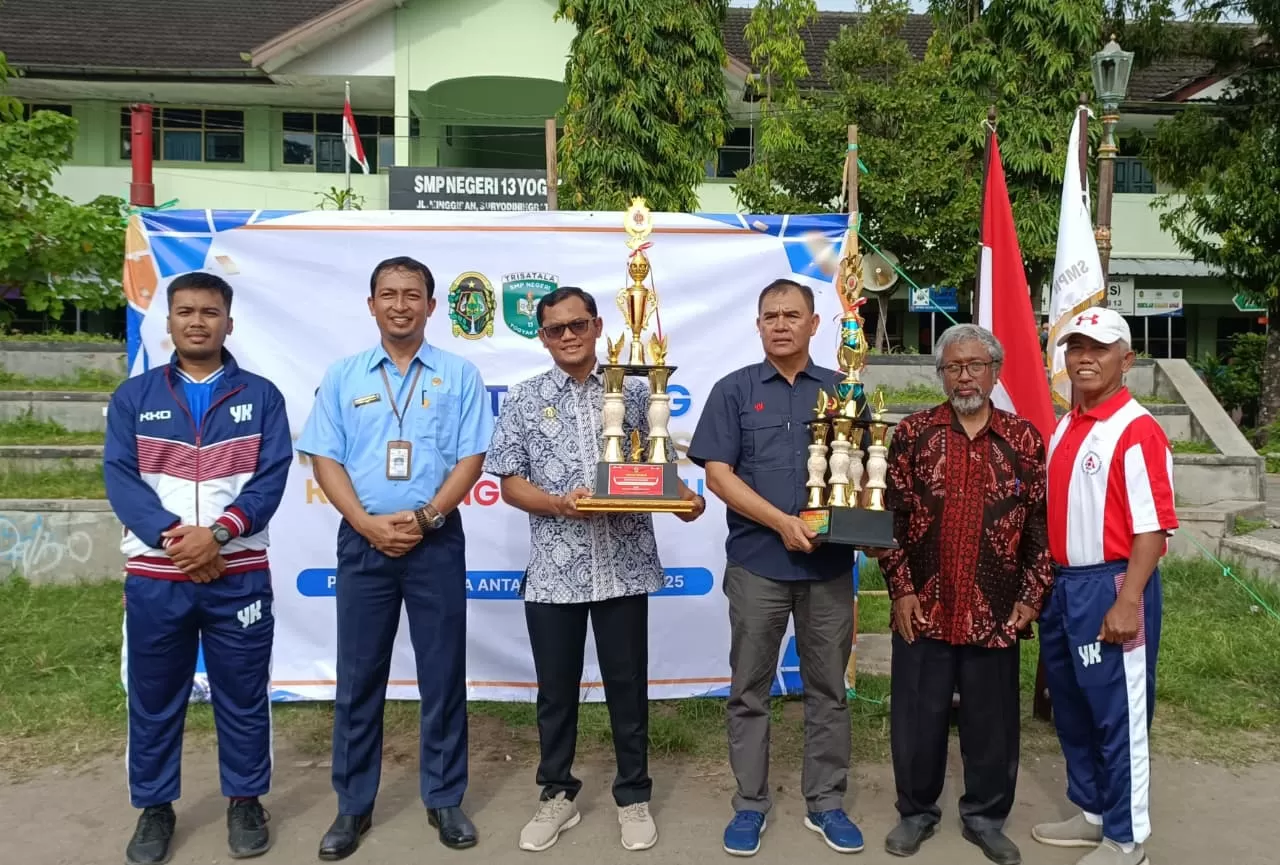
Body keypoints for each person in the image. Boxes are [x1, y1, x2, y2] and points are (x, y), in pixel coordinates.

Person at [483, 286, 706, 853]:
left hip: (624, 569)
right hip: (555, 574)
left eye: (577, 324)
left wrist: (684, 502)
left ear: (597, 325)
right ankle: (557, 795)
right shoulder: (526, 399)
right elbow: (508, 483)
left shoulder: (636, 393)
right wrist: (559, 502)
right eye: (555, 328)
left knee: (626, 690)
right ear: (542, 336)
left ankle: (633, 797)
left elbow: (662, 470)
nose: (568, 336)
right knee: (555, 694)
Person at [297, 256, 493, 860]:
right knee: (358, 678)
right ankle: (352, 806)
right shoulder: (343, 376)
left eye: (413, 295)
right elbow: (324, 458)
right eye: (389, 294)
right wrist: (364, 524)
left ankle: (444, 797)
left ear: (432, 306)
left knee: (442, 674)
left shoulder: (459, 375)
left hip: (436, 539)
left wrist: (429, 516)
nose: (401, 305)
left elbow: (471, 458)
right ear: (372, 304)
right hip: (363, 542)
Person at [104, 271, 292, 865]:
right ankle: (154, 808)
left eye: (210, 312)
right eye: (185, 311)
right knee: (155, 698)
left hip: (238, 574)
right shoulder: (133, 399)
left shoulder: (261, 396)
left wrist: (216, 536)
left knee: (242, 695)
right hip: (158, 579)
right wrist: (175, 541)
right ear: (168, 322)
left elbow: (271, 478)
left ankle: (244, 801)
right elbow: (121, 479)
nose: (196, 321)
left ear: (228, 322)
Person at [687, 278, 870, 858]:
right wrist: (782, 523)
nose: (782, 324)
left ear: (816, 324)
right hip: (758, 566)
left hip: (828, 569)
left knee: (828, 690)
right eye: (771, 316)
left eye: (793, 314)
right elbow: (719, 477)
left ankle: (826, 802)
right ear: (759, 325)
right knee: (749, 690)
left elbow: (866, 473)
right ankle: (750, 804)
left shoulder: (845, 392)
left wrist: (864, 525)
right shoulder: (734, 391)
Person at [874, 324, 1052, 865]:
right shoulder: (914, 435)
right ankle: (916, 813)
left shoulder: (1024, 439)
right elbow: (891, 520)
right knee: (917, 719)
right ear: (942, 375)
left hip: (997, 609)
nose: (965, 375)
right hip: (924, 608)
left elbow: (1041, 528)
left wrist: (1031, 595)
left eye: (975, 364)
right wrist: (901, 591)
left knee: (992, 722)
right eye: (954, 366)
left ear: (995, 371)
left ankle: (985, 818)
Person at [1031, 307, 1177, 865]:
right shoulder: (1068, 425)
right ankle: (1093, 812)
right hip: (1066, 585)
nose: (1084, 358)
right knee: (1071, 706)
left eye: (1098, 348)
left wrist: (1128, 599)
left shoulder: (1136, 430)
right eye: (1075, 349)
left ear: (1127, 359)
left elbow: (1152, 529)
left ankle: (1126, 838)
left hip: (1114, 583)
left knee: (1119, 713)